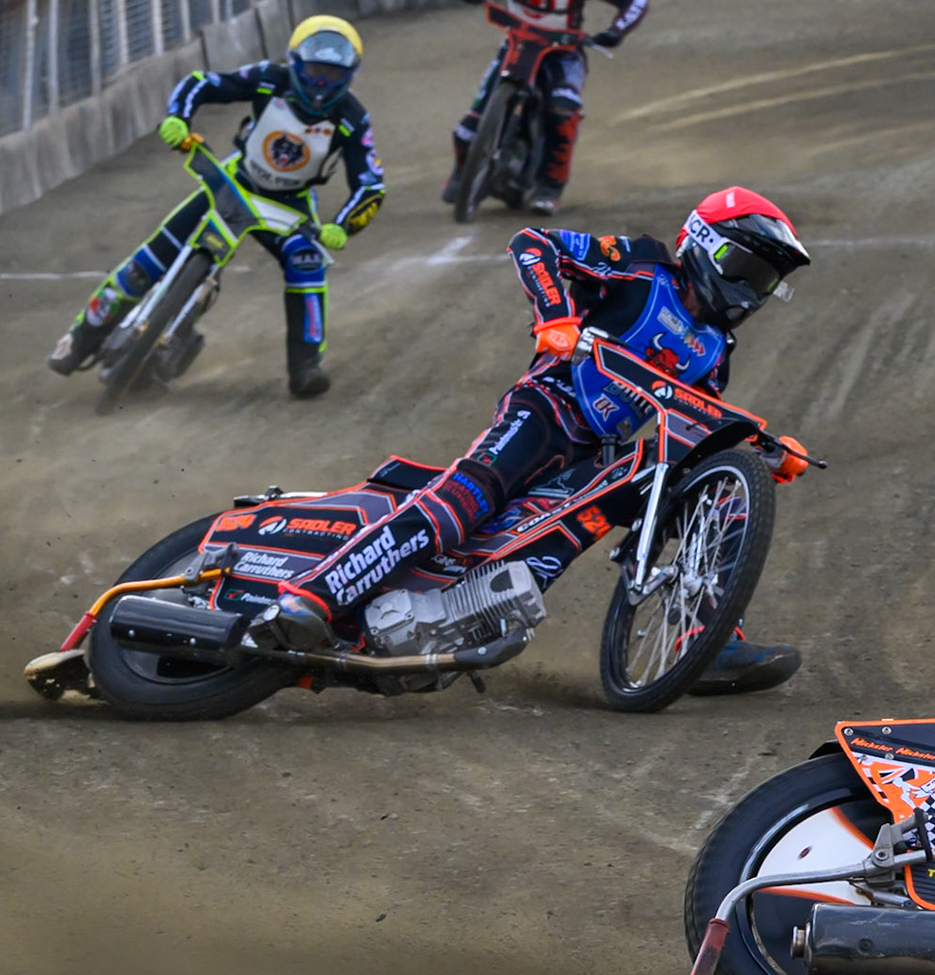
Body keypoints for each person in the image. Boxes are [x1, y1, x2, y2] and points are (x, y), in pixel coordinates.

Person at [249, 187, 813, 694]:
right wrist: (555, 316)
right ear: (704, 245)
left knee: (698, 499)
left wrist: (763, 449)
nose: (753, 289)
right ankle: (314, 595)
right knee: (463, 504)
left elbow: (703, 424)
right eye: (747, 267)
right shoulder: (641, 266)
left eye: (767, 279)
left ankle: (708, 636)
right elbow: (535, 242)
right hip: (546, 407)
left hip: (598, 452)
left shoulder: (716, 350)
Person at [47, 16, 384, 397]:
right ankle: (79, 339)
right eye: (315, 70)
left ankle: (306, 364)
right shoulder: (267, 78)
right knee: (153, 257)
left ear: (350, 74)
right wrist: (178, 117)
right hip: (234, 180)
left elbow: (370, 184)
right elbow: (203, 84)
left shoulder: (353, 120)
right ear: (295, 62)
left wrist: (342, 225)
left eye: (333, 74)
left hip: (291, 204)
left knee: (307, 260)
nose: (322, 83)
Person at [444, 0, 649, 216]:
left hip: (563, 53)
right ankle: (463, 173)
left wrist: (615, 32)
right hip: (516, 43)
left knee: (563, 110)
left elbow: (635, 0)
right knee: (466, 131)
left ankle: (549, 187)